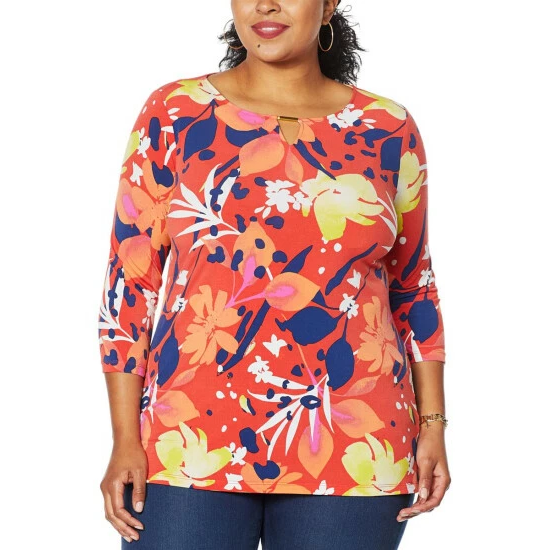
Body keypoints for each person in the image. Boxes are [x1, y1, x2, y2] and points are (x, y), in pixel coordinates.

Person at [97, 1, 452, 548]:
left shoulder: (387, 127)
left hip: (355, 443)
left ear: (329, 4)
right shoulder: (174, 113)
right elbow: (130, 282)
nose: (266, 3)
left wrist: (433, 426)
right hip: (186, 440)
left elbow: (414, 287)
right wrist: (125, 438)